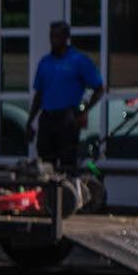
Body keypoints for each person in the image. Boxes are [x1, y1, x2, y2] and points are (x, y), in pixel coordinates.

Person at [26, 20, 105, 172]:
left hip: (67, 117)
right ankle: (49, 195)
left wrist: (84, 110)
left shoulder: (78, 60)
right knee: (45, 165)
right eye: (51, 36)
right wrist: (30, 121)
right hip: (47, 118)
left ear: (66, 37)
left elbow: (99, 89)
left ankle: (67, 194)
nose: (53, 40)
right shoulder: (45, 62)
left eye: (57, 36)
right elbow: (39, 94)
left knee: (67, 164)